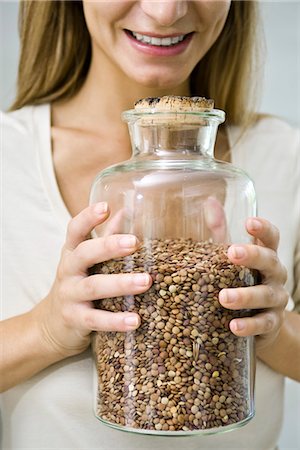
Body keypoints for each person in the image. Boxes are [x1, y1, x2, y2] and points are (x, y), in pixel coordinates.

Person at [1, 1, 299, 449]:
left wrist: (273, 328)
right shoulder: (9, 154)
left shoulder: (287, 156)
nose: (165, 11)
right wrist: (44, 330)